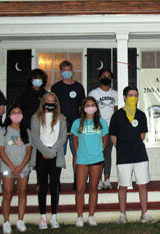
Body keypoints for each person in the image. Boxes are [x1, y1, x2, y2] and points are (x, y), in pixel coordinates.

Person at [110, 86, 156, 224]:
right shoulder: (117, 115)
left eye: (136, 95)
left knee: (142, 185)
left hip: (139, 155)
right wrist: (122, 147)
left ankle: (144, 214)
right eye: (130, 95)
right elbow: (113, 135)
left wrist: (133, 145)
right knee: (123, 186)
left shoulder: (141, 115)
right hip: (123, 156)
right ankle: (123, 215)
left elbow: (142, 135)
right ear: (124, 97)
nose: (133, 98)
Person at [30, 92, 68, 229]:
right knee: (42, 185)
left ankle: (54, 216)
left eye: (53, 100)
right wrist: (45, 151)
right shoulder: (35, 118)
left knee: (54, 186)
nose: (50, 103)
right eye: (48, 100)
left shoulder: (62, 119)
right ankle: (43, 217)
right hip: (41, 154)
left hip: (55, 154)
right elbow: (34, 138)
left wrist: (52, 152)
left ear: (56, 103)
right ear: (43, 102)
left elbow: (63, 138)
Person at [71, 97, 109, 227]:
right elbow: (75, 141)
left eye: (93, 105)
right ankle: (80, 216)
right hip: (82, 159)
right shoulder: (77, 123)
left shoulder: (102, 122)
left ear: (96, 108)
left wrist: (98, 151)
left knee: (93, 188)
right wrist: (80, 153)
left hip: (97, 159)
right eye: (88, 105)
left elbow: (105, 141)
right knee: (80, 188)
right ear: (83, 108)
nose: (90, 107)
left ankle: (91, 216)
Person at [0, 106, 32, 233]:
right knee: (8, 193)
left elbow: (28, 151)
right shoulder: (3, 131)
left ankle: (20, 220)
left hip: (23, 167)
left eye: (19, 112)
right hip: (8, 168)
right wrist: (12, 168)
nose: (17, 115)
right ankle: (6, 221)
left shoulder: (26, 131)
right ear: (9, 115)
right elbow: (1, 151)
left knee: (22, 193)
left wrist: (21, 167)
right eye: (14, 112)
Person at [51, 60, 86, 189]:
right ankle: (56, 181)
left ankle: (77, 181)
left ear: (73, 71)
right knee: (59, 154)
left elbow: (82, 106)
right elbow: (52, 106)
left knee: (77, 153)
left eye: (69, 70)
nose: (67, 72)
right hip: (60, 126)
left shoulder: (78, 87)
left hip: (76, 126)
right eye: (64, 70)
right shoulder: (56, 87)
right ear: (61, 72)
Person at [88, 69, 118, 190]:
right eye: (104, 76)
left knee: (107, 154)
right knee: (97, 153)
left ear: (111, 79)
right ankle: (98, 179)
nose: (106, 77)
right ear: (100, 78)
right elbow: (91, 110)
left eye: (108, 76)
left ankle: (107, 179)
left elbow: (116, 110)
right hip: (98, 127)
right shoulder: (94, 93)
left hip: (111, 128)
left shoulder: (115, 93)